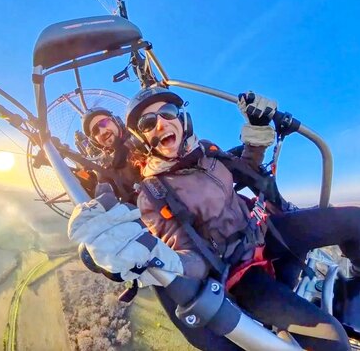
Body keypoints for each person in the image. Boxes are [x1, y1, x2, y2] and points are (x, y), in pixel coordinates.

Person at [122, 86, 356, 350]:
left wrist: (257, 127)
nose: (161, 124)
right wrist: (165, 261)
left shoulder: (206, 152)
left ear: (182, 118)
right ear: (140, 137)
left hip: (264, 231)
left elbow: (247, 170)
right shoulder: (154, 193)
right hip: (238, 274)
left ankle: (356, 291)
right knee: (332, 339)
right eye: (148, 122)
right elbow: (190, 254)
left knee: (354, 220)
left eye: (168, 112)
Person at [78, 106, 243, 350]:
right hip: (157, 241)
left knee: (228, 288)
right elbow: (106, 204)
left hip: (192, 218)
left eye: (104, 124)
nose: (102, 132)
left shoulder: (145, 139)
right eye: (95, 132)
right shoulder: (105, 173)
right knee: (194, 327)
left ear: (116, 122)